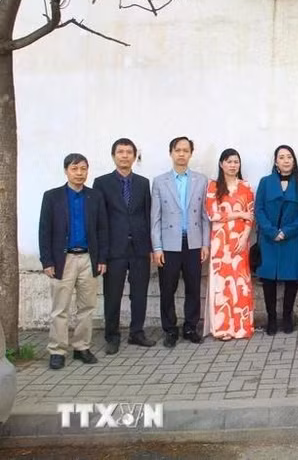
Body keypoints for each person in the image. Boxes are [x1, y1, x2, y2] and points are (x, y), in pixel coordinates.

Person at [39, 153, 108, 370]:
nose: (79, 173)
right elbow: (44, 230)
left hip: (88, 258)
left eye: (83, 169)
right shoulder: (52, 197)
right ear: (66, 171)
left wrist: (102, 258)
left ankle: (81, 347)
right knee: (60, 308)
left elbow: (102, 229)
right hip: (63, 259)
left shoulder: (95, 196)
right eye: (74, 169)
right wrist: (47, 261)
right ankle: (57, 350)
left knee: (86, 306)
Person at [93, 138, 155, 354]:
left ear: (135, 156)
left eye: (129, 152)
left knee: (139, 293)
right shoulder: (101, 183)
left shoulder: (143, 182)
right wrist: (101, 251)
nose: (125, 155)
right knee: (112, 294)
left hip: (139, 247)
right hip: (114, 249)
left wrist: (150, 246)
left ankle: (137, 333)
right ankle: (112, 336)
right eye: (120, 152)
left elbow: (148, 215)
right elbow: (99, 218)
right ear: (113, 156)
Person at [151, 136, 210, 347]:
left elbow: (205, 215)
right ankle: (170, 329)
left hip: (193, 243)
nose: (182, 154)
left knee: (193, 287)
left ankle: (190, 327)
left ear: (191, 153)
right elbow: (155, 217)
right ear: (171, 153)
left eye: (186, 150)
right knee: (168, 288)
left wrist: (205, 244)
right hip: (169, 244)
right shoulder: (159, 181)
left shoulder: (201, 180)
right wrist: (157, 247)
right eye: (178, 150)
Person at [255, 145, 298, 335]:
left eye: (289, 157)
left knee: (291, 280)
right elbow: (259, 209)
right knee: (268, 280)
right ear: (276, 161)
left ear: (294, 161)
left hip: (292, 239)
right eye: (281, 157)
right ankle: (271, 319)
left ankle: (287, 317)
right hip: (269, 239)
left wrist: (286, 231)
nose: (286, 160)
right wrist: (271, 231)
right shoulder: (265, 182)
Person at [204, 148, 255, 340]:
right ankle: (222, 328)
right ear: (221, 164)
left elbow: (251, 215)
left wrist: (244, 237)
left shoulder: (246, 187)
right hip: (220, 242)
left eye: (236, 162)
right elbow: (212, 214)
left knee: (240, 282)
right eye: (229, 162)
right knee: (222, 284)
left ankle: (242, 327)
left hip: (240, 241)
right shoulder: (213, 186)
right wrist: (239, 214)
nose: (233, 165)